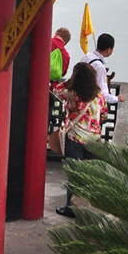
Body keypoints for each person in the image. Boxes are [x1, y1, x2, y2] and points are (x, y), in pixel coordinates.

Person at [52, 61, 105, 218]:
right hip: (94, 142)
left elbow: (55, 90)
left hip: (75, 139)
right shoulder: (99, 96)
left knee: (74, 175)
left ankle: (71, 207)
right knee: (89, 175)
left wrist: (69, 82)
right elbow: (104, 114)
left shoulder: (73, 94)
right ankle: (88, 208)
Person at [87, 33, 116, 100]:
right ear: (109, 50)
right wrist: (116, 99)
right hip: (90, 101)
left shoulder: (86, 57)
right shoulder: (99, 67)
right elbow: (102, 94)